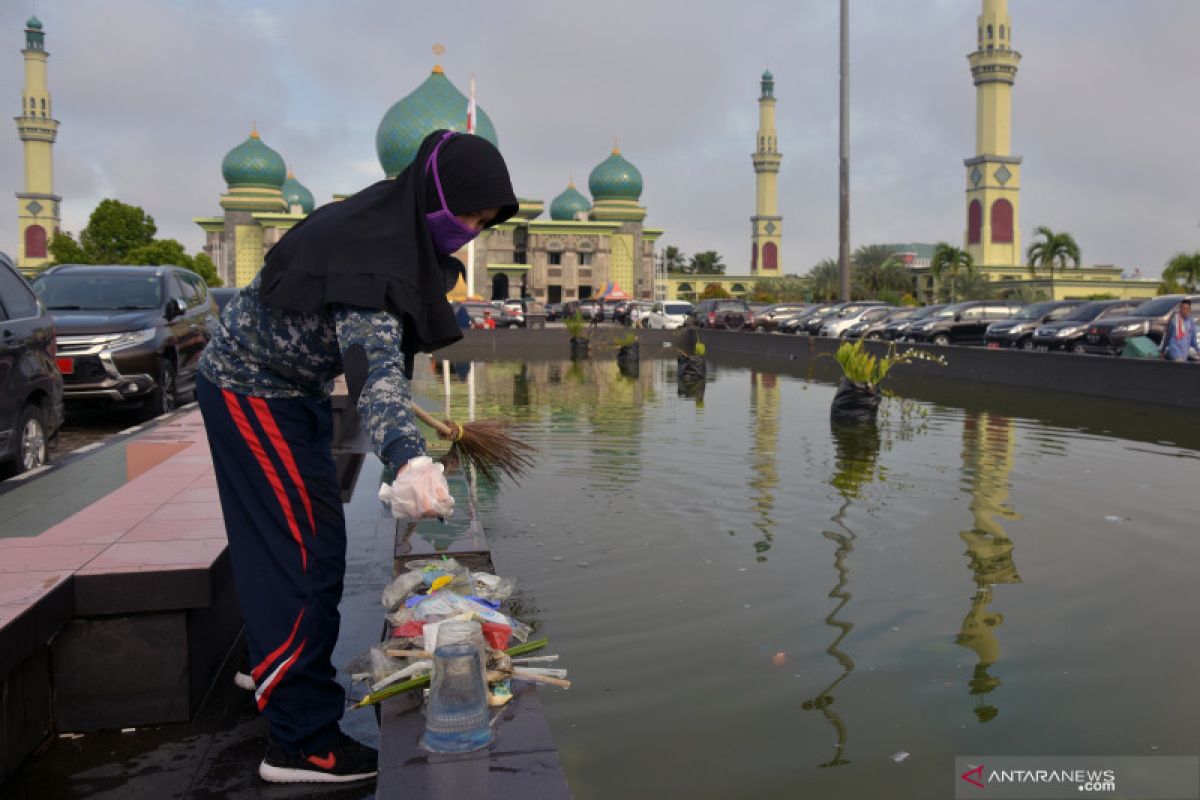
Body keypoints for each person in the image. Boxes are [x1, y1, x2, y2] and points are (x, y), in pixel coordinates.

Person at [195, 129, 518, 784]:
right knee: (303, 555)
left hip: (290, 391)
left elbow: (374, 356)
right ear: (436, 193)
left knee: (308, 545)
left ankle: (277, 668)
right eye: (468, 216)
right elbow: (373, 371)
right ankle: (300, 742)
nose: (471, 234)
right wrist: (408, 457)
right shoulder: (372, 251)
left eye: (483, 224)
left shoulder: (384, 226)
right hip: (254, 390)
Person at [1160, 298, 1196, 362]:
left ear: (1190, 310)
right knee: (1179, 363)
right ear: (1180, 309)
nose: (1184, 310)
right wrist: (1162, 350)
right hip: (1175, 350)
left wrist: (1198, 350)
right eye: (1183, 308)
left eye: (1187, 309)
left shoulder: (1190, 322)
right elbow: (1167, 335)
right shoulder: (1174, 320)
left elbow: (1193, 338)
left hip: (1184, 352)